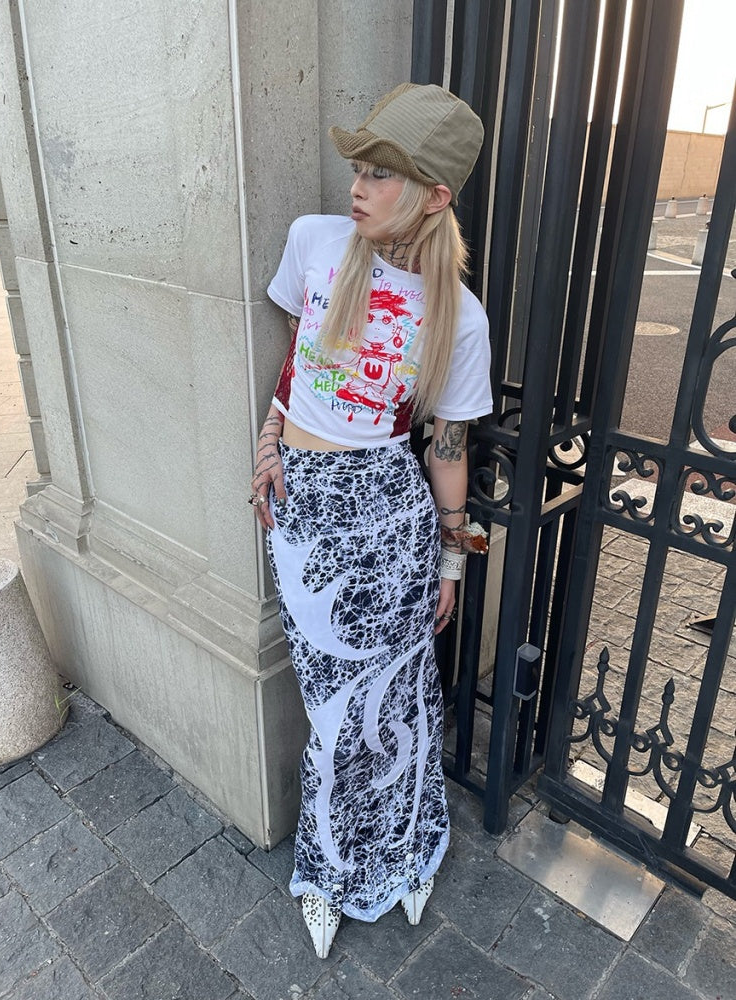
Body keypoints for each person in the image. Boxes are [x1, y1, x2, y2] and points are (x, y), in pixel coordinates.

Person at [249, 82, 492, 959]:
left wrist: (453, 560)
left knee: (401, 699)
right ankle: (329, 869)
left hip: (390, 518)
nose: (357, 185)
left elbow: (448, 449)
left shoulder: (461, 317)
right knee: (334, 712)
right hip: (305, 514)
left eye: (381, 174)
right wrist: (271, 435)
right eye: (358, 167)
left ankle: (408, 849)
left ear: (434, 195)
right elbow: (299, 356)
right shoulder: (316, 242)